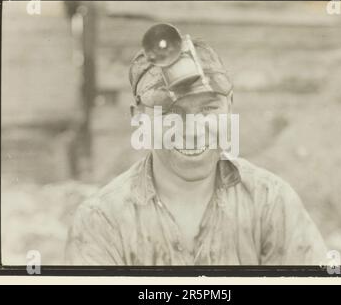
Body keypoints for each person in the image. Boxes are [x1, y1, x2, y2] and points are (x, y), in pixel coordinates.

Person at [65, 24, 327, 265]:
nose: (191, 130)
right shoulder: (101, 221)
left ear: (229, 106)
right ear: (139, 118)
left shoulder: (270, 203)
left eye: (208, 108)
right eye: (170, 112)